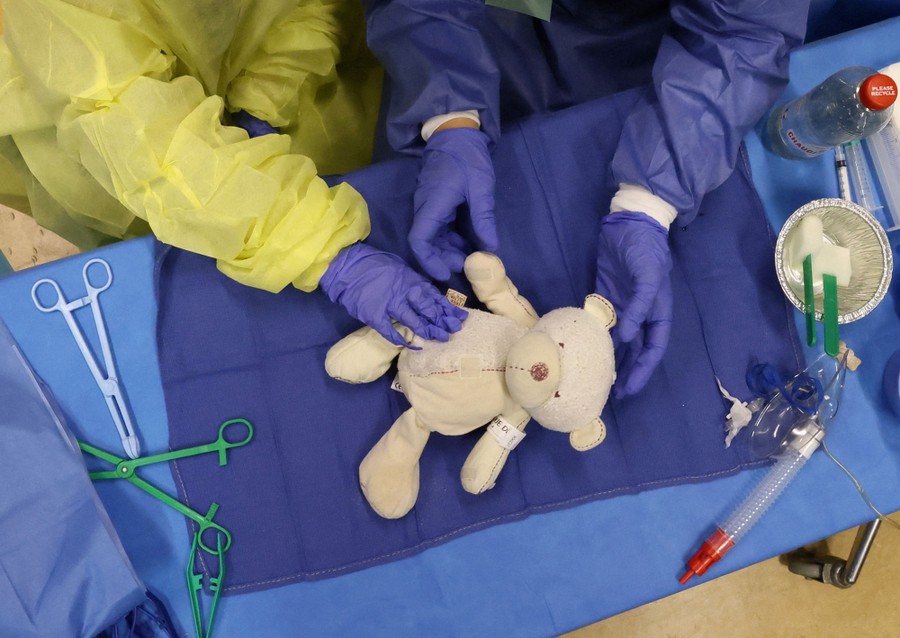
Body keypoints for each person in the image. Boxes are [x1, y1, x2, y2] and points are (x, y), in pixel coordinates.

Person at [364, 0, 811, 393]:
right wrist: (449, 115)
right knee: (406, 225)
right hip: (472, 22)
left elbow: (745, 31)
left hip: (639, 45)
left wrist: (648, 202)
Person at [0, 0, 465, 346]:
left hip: (250, 73)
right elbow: (143, 147)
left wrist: (266, 91)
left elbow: (303, 7)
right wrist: (328, 255)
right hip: (99, 117)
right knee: (184, 253)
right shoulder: (60, 19)